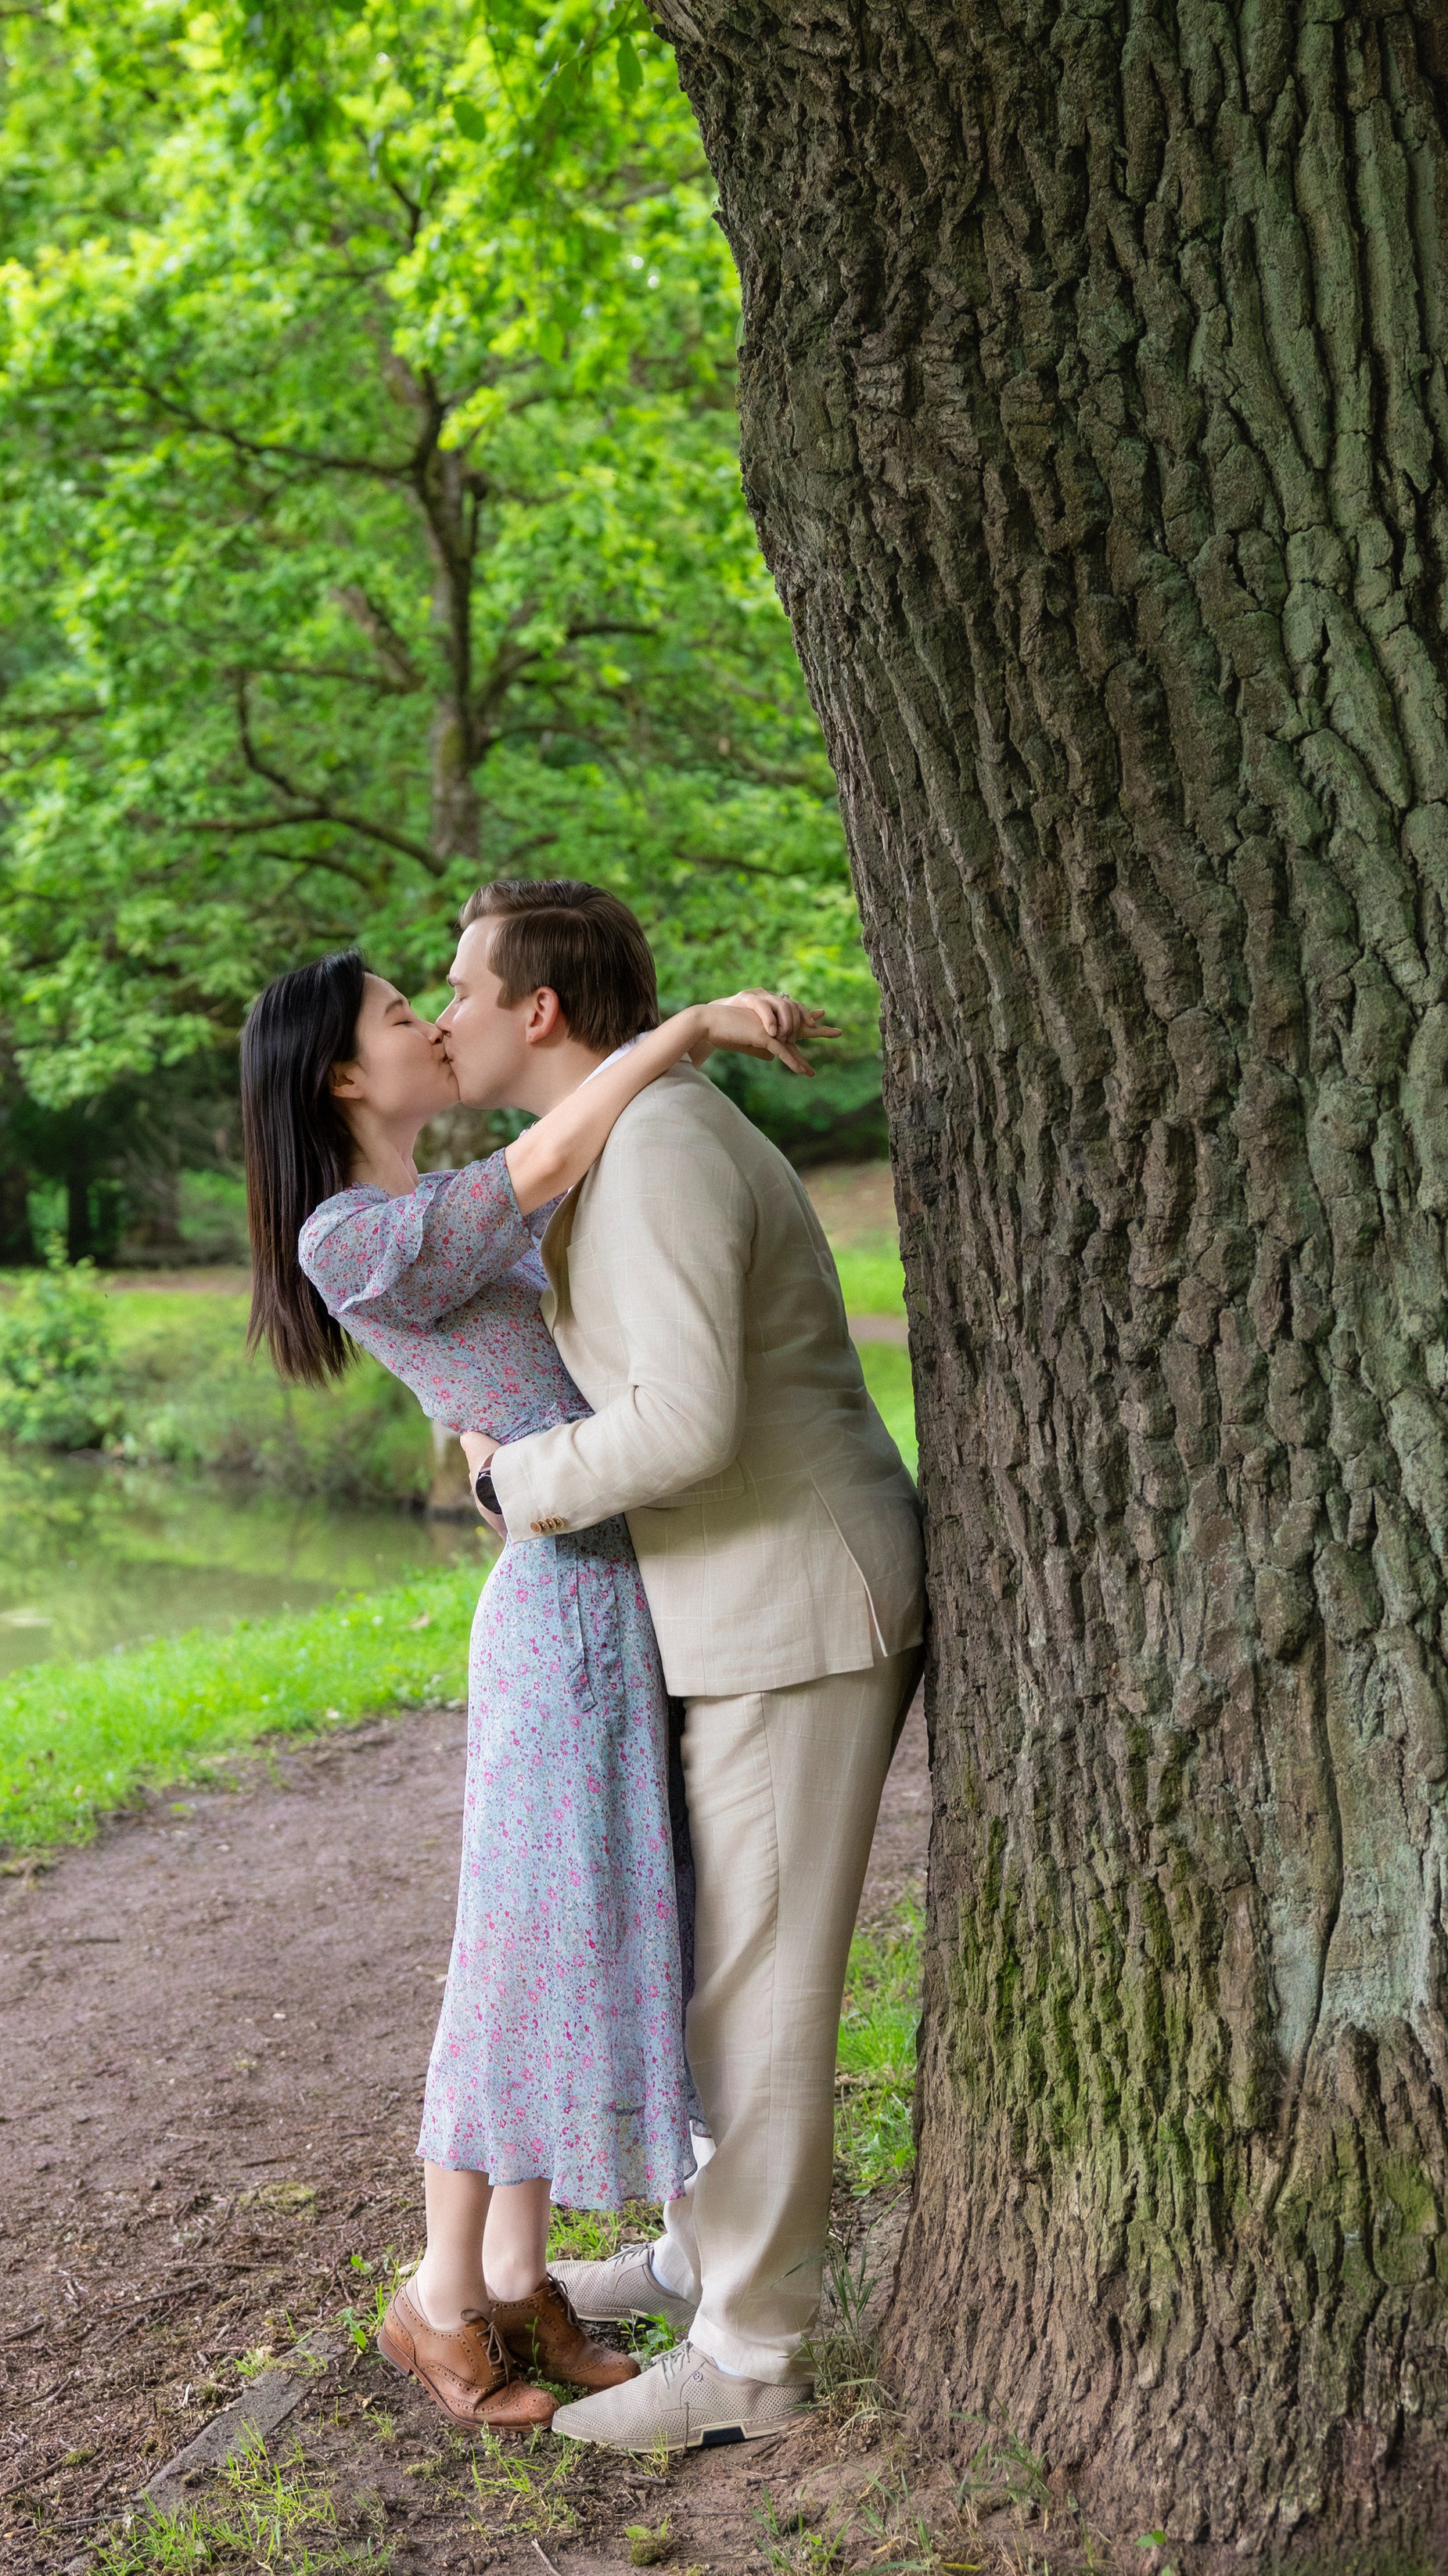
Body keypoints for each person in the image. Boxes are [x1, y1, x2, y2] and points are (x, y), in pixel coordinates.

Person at [240, 941, 832, 2437]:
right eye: (398, 1016)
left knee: (578, 1942)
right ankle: (442, 2301)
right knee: (518, 1955)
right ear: (340, 1075)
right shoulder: (350, 1234)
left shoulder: (428, 1206)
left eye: (434, 999)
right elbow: (560, 1145)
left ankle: (513, 2270)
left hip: (610, 1583)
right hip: (559, 1609)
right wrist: (686, 1027)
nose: (433, 1024)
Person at [441, 879, 925, 2452]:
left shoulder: (653, 1152)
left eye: (460, 986)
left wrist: (509, 1482)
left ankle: (750, 2357)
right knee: (704, 1971)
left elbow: (684, 1426)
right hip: (734, 1609)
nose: (441, 1014)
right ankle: (693, 2257)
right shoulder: (620, 1136)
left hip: (792, 1609)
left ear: (538, 1011)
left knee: (753, 2001)